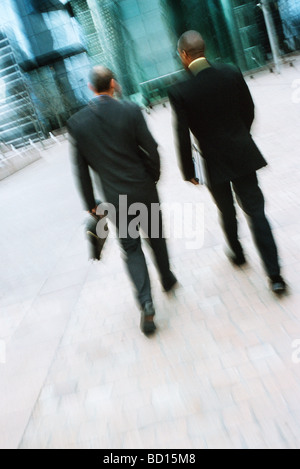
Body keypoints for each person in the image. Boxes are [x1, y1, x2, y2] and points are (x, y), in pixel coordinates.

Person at [168, 30, 287, 295]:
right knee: (256, 212)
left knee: (226, 209)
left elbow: (182, 134)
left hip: (213, 161)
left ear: (184, 55)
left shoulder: (180, 90)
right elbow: (249, 109)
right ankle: (275, 276)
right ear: (204, 49)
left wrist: (188, 170)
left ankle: (237, 253)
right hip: (242, 153)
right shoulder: (230, 72)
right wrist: (240, 136)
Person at [67, 66, 177, 335]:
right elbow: (151, 148)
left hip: (116, 199)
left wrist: (91, 203)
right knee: (156, 238)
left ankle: (147, 304)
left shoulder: (78, 124)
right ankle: (167, 279)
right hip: (143, 189)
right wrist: (153, 176)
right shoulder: (130, 110)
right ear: (113, 84)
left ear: (92, 88)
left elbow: (80, 169)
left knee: (132, 249)